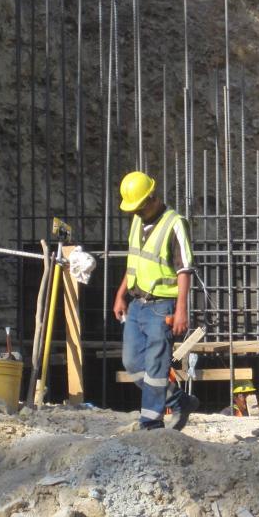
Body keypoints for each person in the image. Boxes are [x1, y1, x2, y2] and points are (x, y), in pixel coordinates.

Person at [112, 170, 199, 430]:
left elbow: (184, 269)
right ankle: (180, 400)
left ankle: (150, 423)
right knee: (132, 362)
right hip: (137, 304)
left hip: (163, 306)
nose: (134, 213)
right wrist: (120, 294)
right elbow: (134, 262)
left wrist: (181, 310)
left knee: (156, 366)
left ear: (152, 197)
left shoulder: (175, 223)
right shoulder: (138, 222)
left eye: (138, 207)